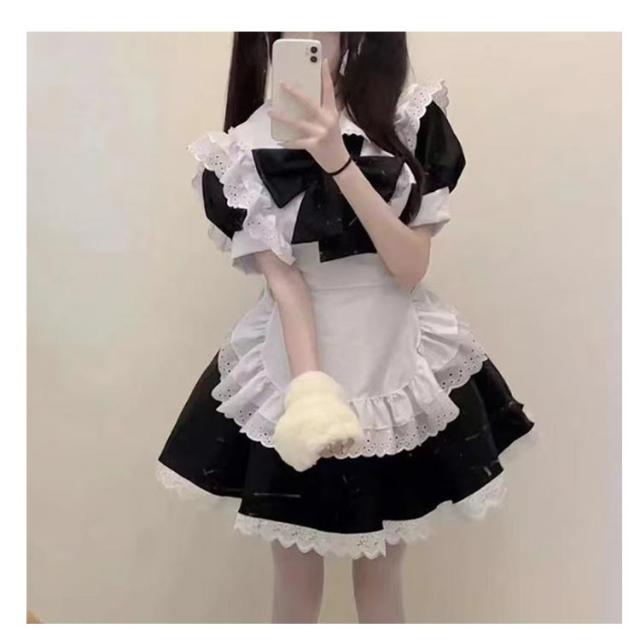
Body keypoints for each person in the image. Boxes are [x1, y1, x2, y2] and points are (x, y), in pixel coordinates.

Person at [156, 31, 536, 623]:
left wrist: (338, 159)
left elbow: (409, 268)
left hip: (391, 357)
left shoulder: (407, 121)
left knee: (382, 574)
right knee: (294, 581)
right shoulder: (240, 153)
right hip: (294, 364)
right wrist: (311, 396)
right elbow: (286, 287)